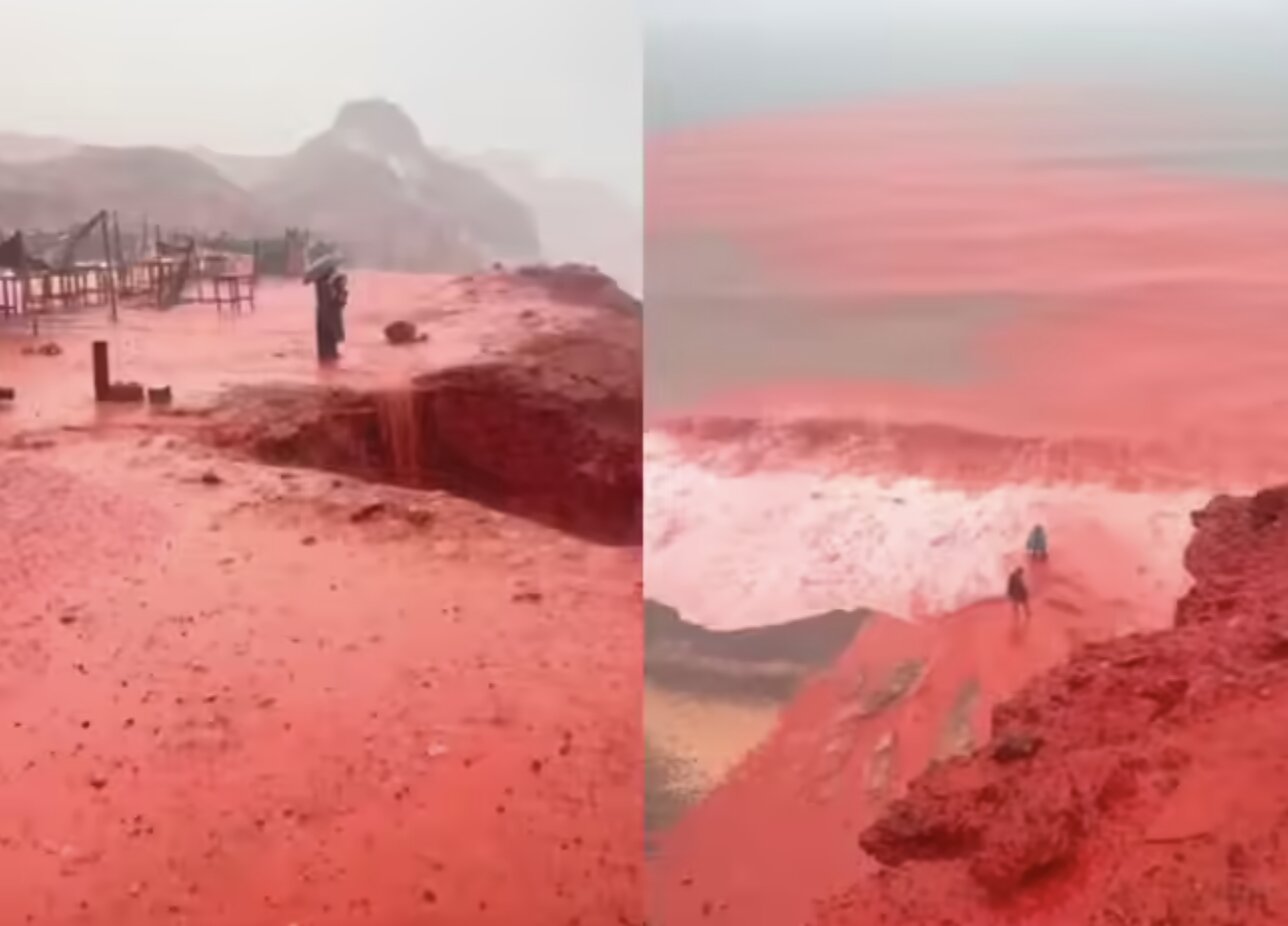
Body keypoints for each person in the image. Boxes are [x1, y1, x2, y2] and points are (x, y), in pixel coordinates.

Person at [305, 253, 348, 363]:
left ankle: (327, 356)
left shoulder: (320, 280)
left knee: (325, 338)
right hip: (329, 312)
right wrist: (342, 294)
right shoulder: (331, 281)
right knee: (330, 336)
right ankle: (330, 355)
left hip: (322, 312)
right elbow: (338, 299)